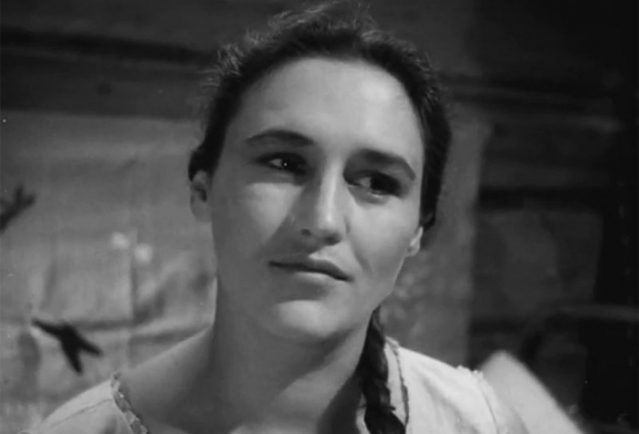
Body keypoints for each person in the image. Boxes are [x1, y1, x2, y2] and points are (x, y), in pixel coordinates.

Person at [26, 2, 528, 433]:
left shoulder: (476, 422)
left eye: (377, 182)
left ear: (418, 228)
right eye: (285, 164)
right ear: (203, 189)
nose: (323, 220)